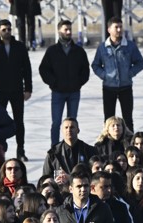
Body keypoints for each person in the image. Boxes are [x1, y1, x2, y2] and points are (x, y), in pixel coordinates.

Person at [0, 20, 33, 161]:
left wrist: (28, 88)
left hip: (17, 90)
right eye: (4, 29)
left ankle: (21, 150)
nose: (7, 32)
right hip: (0, 90)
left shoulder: (19, 47)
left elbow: (27, 68)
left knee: (19, 121)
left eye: (9, 29)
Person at [39, 19, 90, 147]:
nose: (68, 32)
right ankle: (54, 148)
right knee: (56, 122)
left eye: (69, 30)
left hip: (74, 92)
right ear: (59, 31)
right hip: (58, 92)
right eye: (65, 30)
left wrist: (78, 83)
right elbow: (43, 69)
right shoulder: (52, 51)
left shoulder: (78, 51)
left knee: (72, 122)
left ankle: (72, 146)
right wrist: (53, 82)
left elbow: (85, 69)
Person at [91, 17, 143, 132]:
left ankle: (130, 144)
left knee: (128, 119)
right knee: (108, 119)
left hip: (126, 87)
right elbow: (95, 65)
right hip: (108, 88)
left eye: (121, 27)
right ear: (109, 29)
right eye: (116, 27)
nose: (119, 30)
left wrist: (130, 73)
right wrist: (104, 75)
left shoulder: (129, 46)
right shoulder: (102, 47)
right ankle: (107, 144)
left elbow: (140, 63)